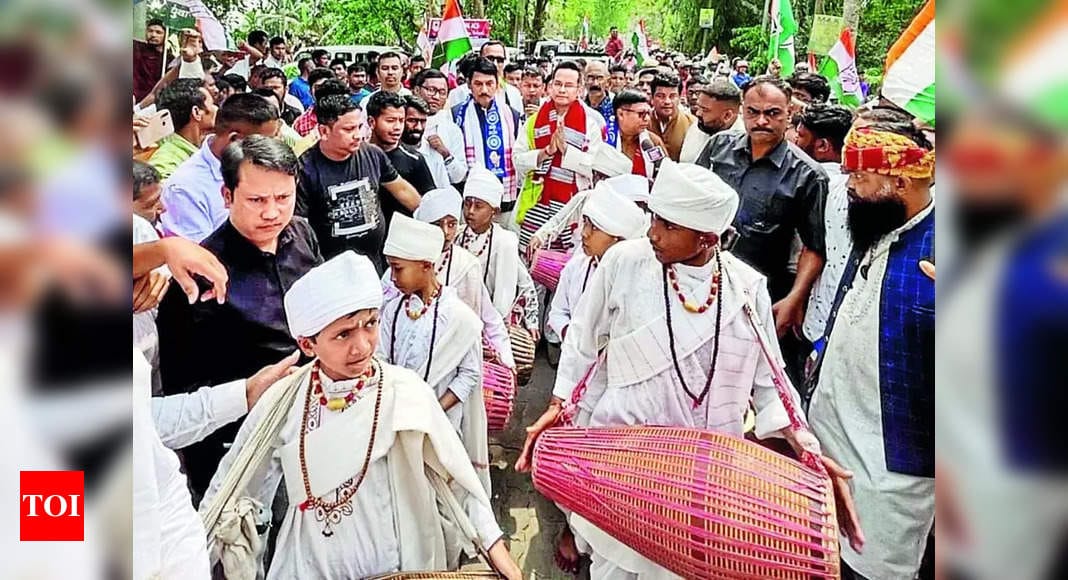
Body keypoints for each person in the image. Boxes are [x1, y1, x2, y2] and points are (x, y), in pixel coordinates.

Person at [516, 160, 862, 579]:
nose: (653, 233)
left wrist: (806, 446)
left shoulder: (744, 288)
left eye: (668, 226)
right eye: (655, 218)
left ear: (707, 238)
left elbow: (769, 383)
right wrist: (561, 403)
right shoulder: (624, 262)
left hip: (700, 483)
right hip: (622, 463)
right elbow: (582, 341)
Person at [200, 251, 522, 579]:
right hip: (308, 564)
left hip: (397, 565)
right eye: (343, 334)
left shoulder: (405, 392)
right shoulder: (283, 403)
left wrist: (500, 556)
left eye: (370, 324)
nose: (363, 346)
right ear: (308, 344)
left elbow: (458, 482)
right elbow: (236, 488)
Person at [156, 135, 323, 496]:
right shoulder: (199, 276)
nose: (272, 212)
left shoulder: (303, 233)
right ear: (227, 196)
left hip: (315, 424)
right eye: (257, 200)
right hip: (242, 445)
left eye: (283, 198)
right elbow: (180, 388)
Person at [807, 122, 935, 580]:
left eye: (860, 179)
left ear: (900, 182)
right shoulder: (878, 223)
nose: (849, 188)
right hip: (826, 439)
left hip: (891, 469)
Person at [695, 76, 828, 364]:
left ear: (789, 114)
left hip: (760, 294)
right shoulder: (719, 147)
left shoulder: (808, 175)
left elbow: (814, 247)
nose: (762, 121)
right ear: (742, 111)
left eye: (772, 113)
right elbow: (691, 204)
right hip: (699, 282)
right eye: (753, 112)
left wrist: (795, 298)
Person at [379, 215, 489, 488]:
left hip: (441, 427)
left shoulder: (461, 319)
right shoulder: (392, 312)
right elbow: (381, 360)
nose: (392, 278)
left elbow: (469, 375)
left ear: (427, 266)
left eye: (398, 269)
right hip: (397, 423)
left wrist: (433, 411)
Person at [296, 94, 421, 272]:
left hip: (374, 264)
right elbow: (300, 226)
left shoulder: (372, 154)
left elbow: (402, 190)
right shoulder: (305, 169)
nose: (357, 135)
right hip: (331, 269)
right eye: (348, 129)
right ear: (324, 131)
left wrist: (430, 218)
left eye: (360, 127)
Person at [412, 187, 516, 369]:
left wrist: (506, 361)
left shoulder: (466, 265)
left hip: (456, 359)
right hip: (414, 358)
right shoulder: (406, 264)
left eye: (451, 224)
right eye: (437, 225)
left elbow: (489, 318)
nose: (445, 232)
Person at [160, 92, 281, 242]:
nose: (273, 148)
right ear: (235, 140)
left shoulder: (266, 167)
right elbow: (198, 257)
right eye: (265, 142)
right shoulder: (184, 189)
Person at [514, 61, 605, 250]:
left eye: (569, 85)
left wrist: (566, 151)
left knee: (564, 265)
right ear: (549, 87)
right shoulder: (533, 121)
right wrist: (545, 152)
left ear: (580, 89)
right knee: (532, 258)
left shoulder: (591, 124)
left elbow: (594, 167)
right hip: (535, 203)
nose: (562, 90)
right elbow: (517, 160)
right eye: (558, 84)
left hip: (572, 205)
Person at [545, 182, 647, 345]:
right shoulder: (577, 266)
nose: (584, 233)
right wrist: (570, 335)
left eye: (595, 228)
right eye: (585, 223)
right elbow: (557, 312)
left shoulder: (636, 279)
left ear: (617, 236)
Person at [790, 104, 853, 361]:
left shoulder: (814, 185)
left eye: (801, 136)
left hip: (809, 310)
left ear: (823, 146)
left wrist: (797, 298)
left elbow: (808, 250)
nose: (793, 139)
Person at [457, 168, 539, 335]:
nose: (470, 211)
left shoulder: (504, 241)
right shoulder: (457, 236)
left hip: (492, 325)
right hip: (459, 319)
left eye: (478, 206)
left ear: (494, 212)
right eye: (467, 204)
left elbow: (525, 283)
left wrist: (532, 322)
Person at [452, 58, 522, 217]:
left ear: (498, 84)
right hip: (470, 202)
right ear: (469, 85)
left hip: (505, 201)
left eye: (489, 83)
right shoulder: (456, 115)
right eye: (478, 84)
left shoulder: (512, 115)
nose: (484, 90)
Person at [367, 91, 435, 223]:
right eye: (390, 121)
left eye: (401, 121)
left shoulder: (414, 159)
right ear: (371, 122)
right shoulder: (359, 157)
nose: (397, 127)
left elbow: (428, 204)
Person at [149, 79, 217, 180]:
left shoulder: (208, 150)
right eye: (212, 104)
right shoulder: (166, 162)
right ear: (196, 113)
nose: (216, 108)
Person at [410, 69, 467, 186]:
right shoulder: (402, 123)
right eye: (431, 90)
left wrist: (445, 153)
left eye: (442, 92)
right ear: (416, 90)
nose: (436, 97)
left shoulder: (452, 130)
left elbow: (459, 176)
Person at [607, 89, 668, 180]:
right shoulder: (604, 138)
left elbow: (666, 174)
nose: (647, 119)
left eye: (648, 113)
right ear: (621, 114)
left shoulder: (652, 141)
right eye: (641, 114)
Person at [447, 41, 523, 111]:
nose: (495, 64)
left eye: (500, 60)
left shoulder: (514, 94)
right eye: (490, 58)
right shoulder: (459, 93)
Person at [679, 79, 741, 163]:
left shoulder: (744, 145)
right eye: (699, 107)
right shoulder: (697, 127)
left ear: (727, 116)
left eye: (705, 110)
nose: (698, 113)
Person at [402, 95, 453, 190]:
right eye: (412, 121)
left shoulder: (433, 152)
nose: (419, 127)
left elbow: (443, 190)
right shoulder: (389, 150)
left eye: (423, 121)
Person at [647, 73, 695, 162]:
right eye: (660, 96)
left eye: (672, 96)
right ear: (652, 98)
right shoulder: (642, 122)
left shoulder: (692, 124)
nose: (667, 101)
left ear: (680, 98)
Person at [293, 72, 347, 136]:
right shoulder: (301, 122)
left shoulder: (351, 117)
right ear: (310, 91)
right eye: (318, 87)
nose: (323, 90)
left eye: (327, 87)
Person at [134, 18, 172, 102]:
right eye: (150, 31)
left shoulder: (170, 59)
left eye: (158, 32)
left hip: (154, 101)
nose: (153, 35)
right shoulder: (136, 48)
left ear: (166, 35)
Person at [584, 60, 614, 134]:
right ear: (584, 80)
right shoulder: (579, 107)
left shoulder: (615, 107)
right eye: (590, 78)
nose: (595, 83)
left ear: (608, 82)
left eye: (600, 78)